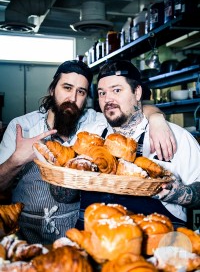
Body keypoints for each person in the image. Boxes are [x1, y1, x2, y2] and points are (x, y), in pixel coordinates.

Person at [0, 60, 176, 244]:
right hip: (24, 230)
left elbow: (129, 109)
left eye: (81, 92)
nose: (73, 98)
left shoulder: (93, 122)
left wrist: (156, 118)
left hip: (74, 232)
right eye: (67, 88)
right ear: (52, 90)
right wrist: (16, 160)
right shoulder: (22, 127)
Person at [72, 59, 200, 230]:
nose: (107, 99)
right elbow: (64, 196)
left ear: (137, 93)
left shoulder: (176, 137)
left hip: (156, 249)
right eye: (102, 93)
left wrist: (173, 193)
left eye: (116, 90)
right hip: (91, 244)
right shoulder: (90, 134)